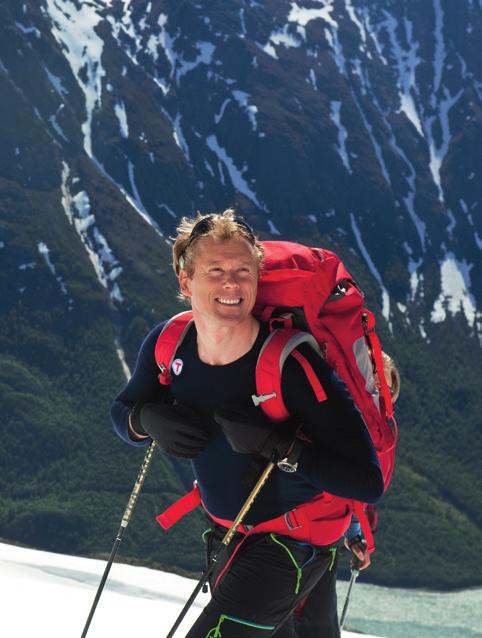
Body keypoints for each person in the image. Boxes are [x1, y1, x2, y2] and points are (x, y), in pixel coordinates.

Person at [111, 209, 384, 637]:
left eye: (243, 271)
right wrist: (144, 419)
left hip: (294, 541)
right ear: (186, 282)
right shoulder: (169, 343)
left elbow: (366, 481)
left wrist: (281, 448)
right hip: (227, 539)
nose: (231, 284)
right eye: (215, 270)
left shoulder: (291, 364)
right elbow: (121, 413)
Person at [294, 352, 401, 637]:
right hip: (301, 535)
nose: (381, 395)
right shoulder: (343, 425)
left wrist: (354, 534)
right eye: (376, 385)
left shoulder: (374, 434)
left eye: (387, 390)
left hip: (321, 537)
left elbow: (347, 495)